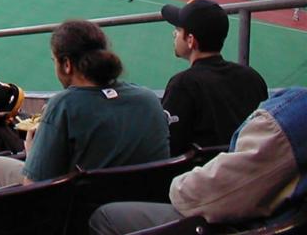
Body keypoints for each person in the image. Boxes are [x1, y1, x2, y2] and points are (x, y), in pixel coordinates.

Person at [0, 20, 169, 190]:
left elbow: (34, 187)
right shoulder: (148, 99)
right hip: (146, 210)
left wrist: (32, 153)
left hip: (83, 212)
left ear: (67, 64)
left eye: (55, 61)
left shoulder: (63, 106)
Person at [89, 87, 307, 234]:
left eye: (180, 30)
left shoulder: (292, 115)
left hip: (245, 223)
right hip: (275, 214)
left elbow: (208, 196)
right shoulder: (251, 79)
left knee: (105, 216)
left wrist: (177, 185)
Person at [160, 0, 268, 156]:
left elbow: (169, 148)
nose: (174, 34)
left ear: (191, 41)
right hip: (250, 172)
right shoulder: (252, 77)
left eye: (178, 29)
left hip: (203, 176)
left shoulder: (183, 84)